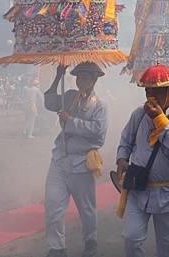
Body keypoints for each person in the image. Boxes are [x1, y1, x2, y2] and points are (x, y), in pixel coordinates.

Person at [116, 64, 169, 257]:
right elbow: (126, 140)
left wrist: (159, 119)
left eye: (157, 91)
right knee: (131, 238)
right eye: (147, 91)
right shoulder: (139, 114)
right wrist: (121, 158)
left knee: (168, 245)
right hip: (138, 188)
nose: (151, 96)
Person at [43, 63, 108, 257]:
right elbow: (49, 103)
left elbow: (98, 133)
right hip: (59, 159)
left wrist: (70, 121)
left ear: (94, 80)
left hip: (82, 163)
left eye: (86, 77)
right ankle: (56, 247)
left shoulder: (100, 105)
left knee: (86, 208)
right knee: (53, 204)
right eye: (78, 77)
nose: (81, 81)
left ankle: (91, 239)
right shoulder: (69, 96)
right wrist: (57, 77)